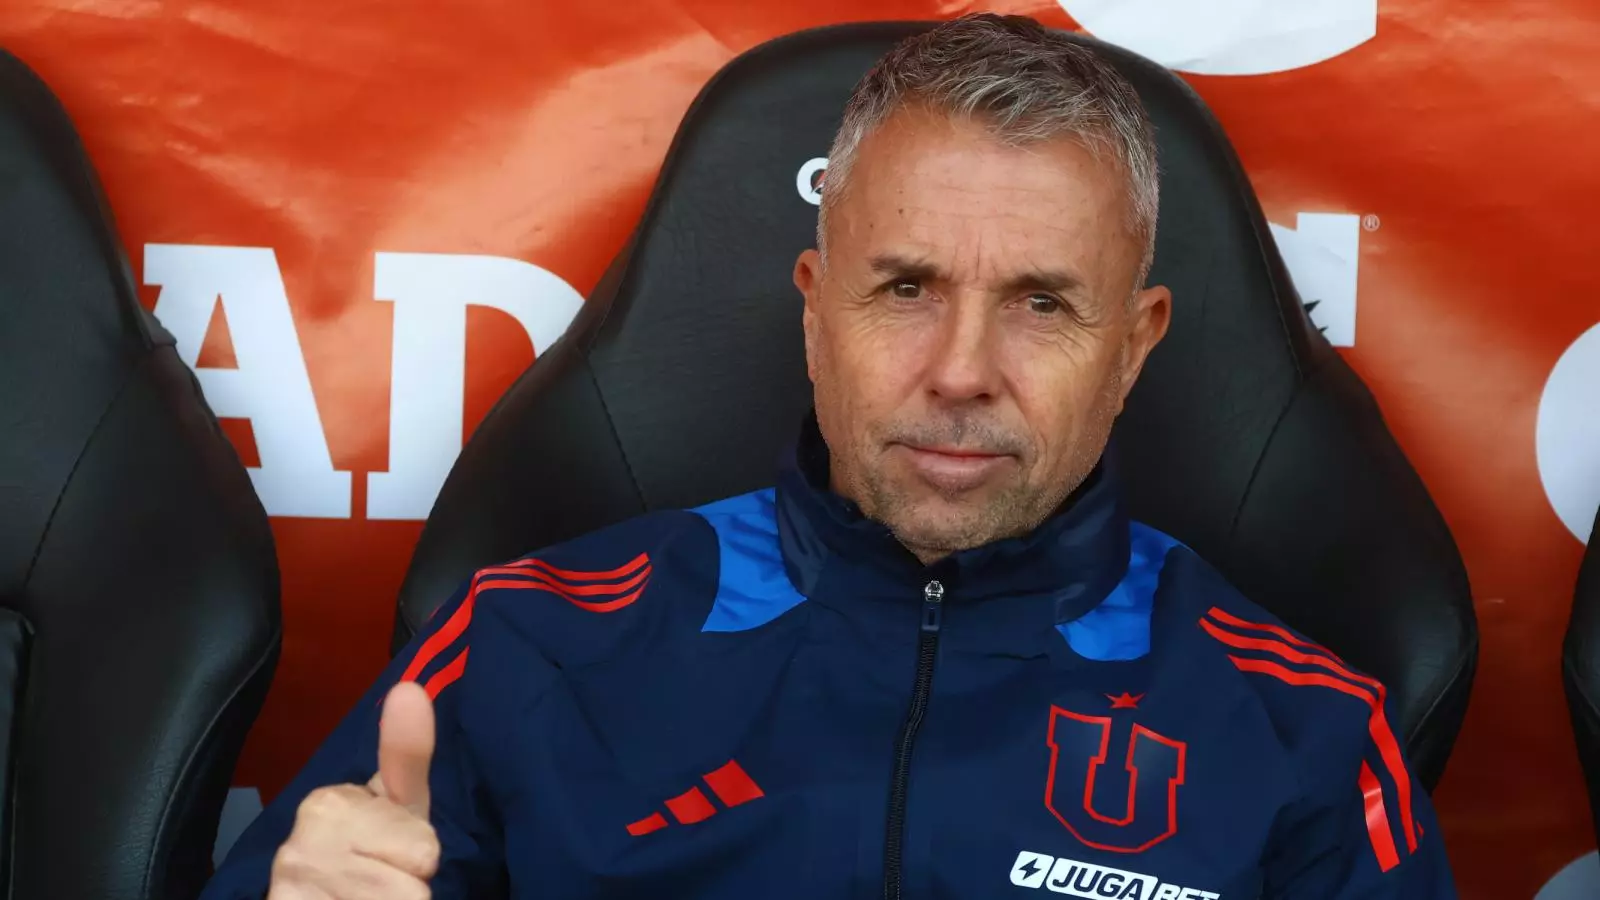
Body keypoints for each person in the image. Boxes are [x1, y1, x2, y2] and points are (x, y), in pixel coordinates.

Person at [205, 13, 1457, 900]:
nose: (961, 369)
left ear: (1133, 348)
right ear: (814, 310)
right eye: (904, 287)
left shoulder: (1308, 738)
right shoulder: (523, 650)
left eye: (1040, 304)